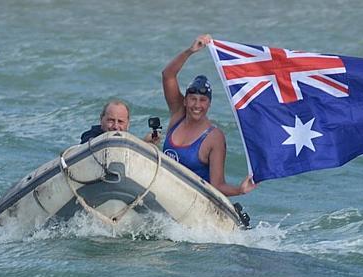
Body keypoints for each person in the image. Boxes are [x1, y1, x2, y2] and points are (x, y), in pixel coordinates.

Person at [162, 34, 256, 197]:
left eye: (203, 100)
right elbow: (167, 75)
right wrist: (190, 51)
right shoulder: (178, 114)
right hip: (165, 193)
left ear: (209, 104)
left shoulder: (214, 137)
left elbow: (217, 185)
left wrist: (239, 190)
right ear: (185, 101)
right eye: (192, 99)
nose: (197, 105)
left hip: (193, 201)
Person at [81, 99, 160, 145]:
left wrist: (146, 144)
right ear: (101, 120)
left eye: (120, 121)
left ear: (128, 124)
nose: (115, 126)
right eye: (111, 120)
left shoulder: (129, 140)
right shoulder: (89, 136)